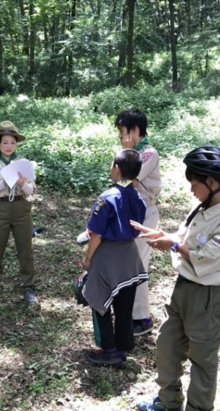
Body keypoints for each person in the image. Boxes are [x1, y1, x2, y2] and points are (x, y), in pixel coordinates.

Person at [132, 146, 220, 411]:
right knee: (168, 344)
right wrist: (165, 237)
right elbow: (187, 239)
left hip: (206, 297)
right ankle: (169, 400)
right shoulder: (204, 208)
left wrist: (172, 245)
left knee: (202, 359)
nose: (192, 190)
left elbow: (207, 256)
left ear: (211, 182)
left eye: (195, 183)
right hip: (184, 288)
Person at [77, 108, 160, 337]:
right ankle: (130, 315)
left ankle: (141, 317)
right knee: (129, 266)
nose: (121, 137)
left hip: (142, 215)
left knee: (137, 266)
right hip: (128, 212)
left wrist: (124, 152)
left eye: (123, 132)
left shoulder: (148, 153)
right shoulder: (133, 152)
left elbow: (128, 175)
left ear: (134, 130)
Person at [82, 149, 148, 366]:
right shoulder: (137, 197)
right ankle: (123, 346)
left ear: (117, 169)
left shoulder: (107, 197)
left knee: (99, 299)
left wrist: (88, 259)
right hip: (130, 255)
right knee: (124, 304)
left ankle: (108, 349)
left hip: (108, 255)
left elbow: (96, 234)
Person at [0, 121, 37, 309]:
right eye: (5, 142)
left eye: (12, 142)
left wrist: (21, 182)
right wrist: (3, 183)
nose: (9, 146)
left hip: (21, 209)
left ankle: (29, 287)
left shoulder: (22, 164)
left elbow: (30, 191)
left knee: (25, 251)